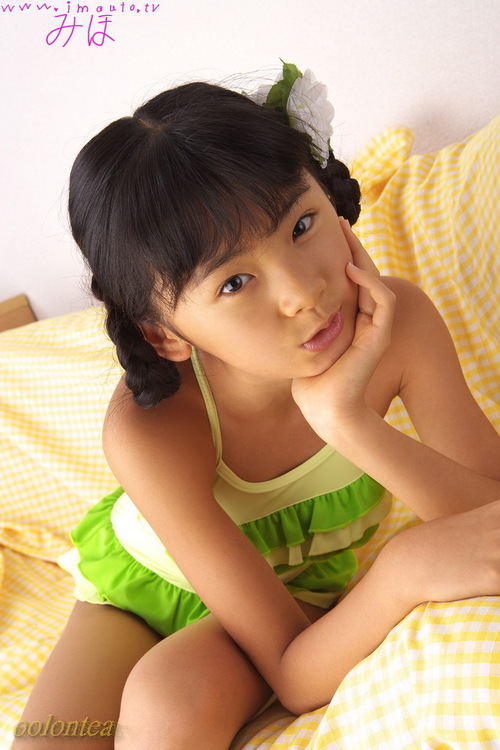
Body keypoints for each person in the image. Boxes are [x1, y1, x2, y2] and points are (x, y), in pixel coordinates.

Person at [13, 63, 500, 749]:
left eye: (302, 224)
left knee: (169, 700)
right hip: (141, 591)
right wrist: (401, 570)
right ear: (163, 335)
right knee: (52, 740)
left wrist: (348, 423)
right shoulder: (153, 430)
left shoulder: (402, 326)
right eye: (235, 282)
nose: (303, 293)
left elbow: (485, 524)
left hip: (293, 593)